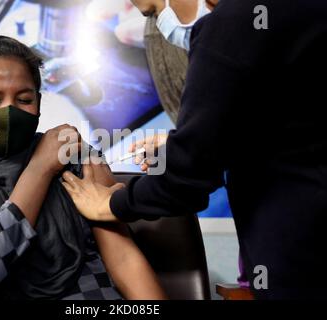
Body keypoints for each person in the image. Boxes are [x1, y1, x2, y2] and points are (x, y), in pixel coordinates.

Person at [62, 0, 327, 299]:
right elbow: (286, 122)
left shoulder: (233, 25)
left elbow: (185, 181)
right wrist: (192, 140)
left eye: (153, 13)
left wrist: (112, 204)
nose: (160, 27)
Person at [0, 36, 167, 300]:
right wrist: (41, 168)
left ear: (39, 103)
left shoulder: (73, 156)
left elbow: (123, 259)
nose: (9, 111)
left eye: (24, 99)